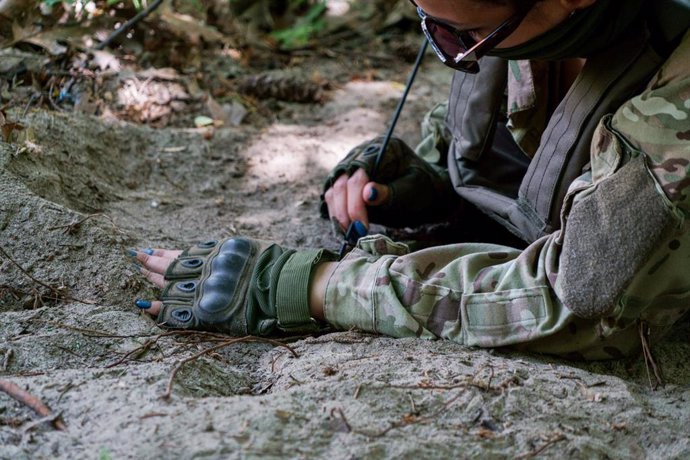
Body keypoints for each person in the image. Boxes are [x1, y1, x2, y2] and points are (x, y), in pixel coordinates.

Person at [130, 0, 690, 362]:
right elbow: (495, 124)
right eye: (427, 22)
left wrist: (317, 287)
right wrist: (424, 176)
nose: (446, 49)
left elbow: (583, 301)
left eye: (460, 38)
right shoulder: (534, 22)